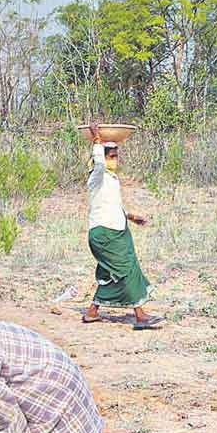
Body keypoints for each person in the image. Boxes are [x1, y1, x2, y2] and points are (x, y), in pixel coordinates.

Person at [83, 122, 162, 330]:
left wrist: (131, 216)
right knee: (126, 270)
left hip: (115, 231)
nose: (115, 160)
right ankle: (140, 315)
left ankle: (92, 312)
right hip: (105, 234)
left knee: (111, 273)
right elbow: (99, 164)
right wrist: (97, 140)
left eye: (116, 156)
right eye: (112, 156)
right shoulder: (96, 177)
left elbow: (110, 205)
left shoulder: (111, 180)